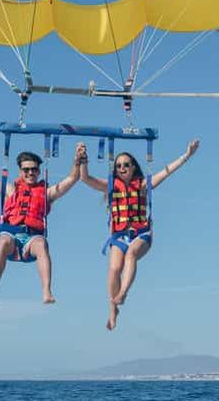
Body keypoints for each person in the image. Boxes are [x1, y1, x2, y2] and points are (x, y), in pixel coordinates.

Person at [0, 139, 86, 304]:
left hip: (32, 239)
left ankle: (47, 291)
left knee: (41, 244)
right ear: (20, 171)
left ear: (39, 171)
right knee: (3, 241)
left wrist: (78, 161)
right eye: (26, 170)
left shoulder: (47, 193)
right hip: (11, 236)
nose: (30, 173)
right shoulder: (10, 190)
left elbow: (71, 179)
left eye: (34, 169)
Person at [79, 139, 200, 330]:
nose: (122, 168)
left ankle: (123, 293)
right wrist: (82, 160)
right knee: (113, 269)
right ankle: (112, 309)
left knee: (131, 254)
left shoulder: (143, 185)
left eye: (126, 164)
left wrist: (187, 155)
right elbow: (85, 179)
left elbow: (167, 171)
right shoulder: (110, 186)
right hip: (119, 235)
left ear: (133, 167)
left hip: (141, 234)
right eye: (118, 166)